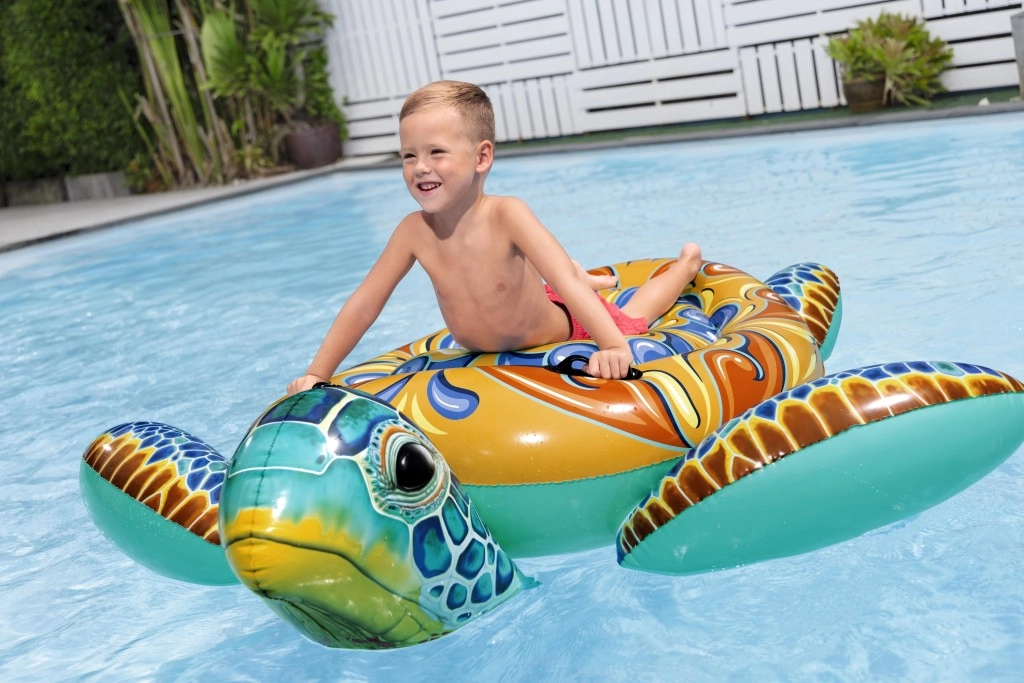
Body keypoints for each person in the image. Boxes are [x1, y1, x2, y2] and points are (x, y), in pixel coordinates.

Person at [287, 80, 701, 395]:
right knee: (561, 279)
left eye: (436, 152)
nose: (420, 167)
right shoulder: (413, 231)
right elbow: (365, 303)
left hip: (563, 328)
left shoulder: (508, 214)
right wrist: (318, 373)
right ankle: (592, 277)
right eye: (409, 155)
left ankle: (684, 267)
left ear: (482, 157)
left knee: (633, 318)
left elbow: (564, 283)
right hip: (495, 332)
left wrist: (611, 345)